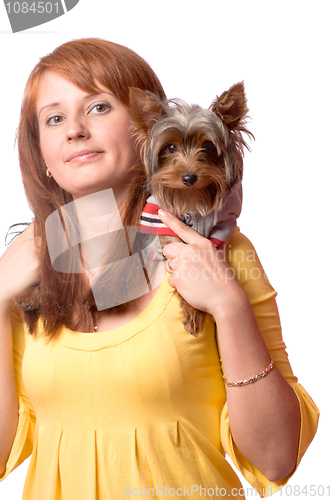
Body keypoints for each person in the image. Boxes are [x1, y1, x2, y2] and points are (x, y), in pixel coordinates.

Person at [0, 38, 319, 500]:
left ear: (146, 128)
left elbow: (275, 457)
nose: (74, 130)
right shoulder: (22, 277)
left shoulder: (222, 253)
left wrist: (229, 308)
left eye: (98, 107)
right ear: (43, 156)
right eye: (54, 118)